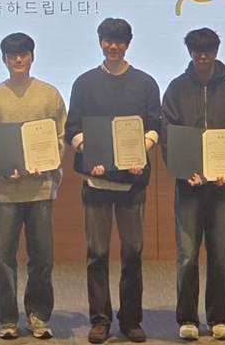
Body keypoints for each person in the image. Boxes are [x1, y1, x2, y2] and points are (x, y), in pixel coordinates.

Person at [65, 18, 161, 345]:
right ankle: (100, 320)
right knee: (97, 253)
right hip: (96, 183)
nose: (113, 46)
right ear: (100, 42)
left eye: (119, 41)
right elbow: (72, 129)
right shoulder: (84, 83)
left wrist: (142, 149)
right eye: (108, 40)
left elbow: (154, 125)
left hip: (133, 182)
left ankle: (131, 320)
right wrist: (88, 150)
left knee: (133, 253)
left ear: (128, 44)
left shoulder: (145, 83)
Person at [160, 28, 225, 342]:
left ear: (216, 52)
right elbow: (168, 135)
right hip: (188, 187)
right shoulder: (176, 89)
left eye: (208, 50)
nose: (203, 56)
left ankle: (219, 318)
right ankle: (188, 318)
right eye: (197, 50)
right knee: (187, 255)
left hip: (221, 188)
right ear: (190, 52)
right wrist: (184, 170)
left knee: (220, 255)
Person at [0, 33, 67, 341]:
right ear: (4, 59)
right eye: (12, 55)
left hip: (40, 187)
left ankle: (39, 316)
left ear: (32, 57)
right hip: (6, 190)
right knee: (5, 258)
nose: (18, 59)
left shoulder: (49, 94)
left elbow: (59, 138)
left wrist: (49, 161)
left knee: (42, 257)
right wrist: (1, 167)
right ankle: (7, 319)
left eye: (24, 54)